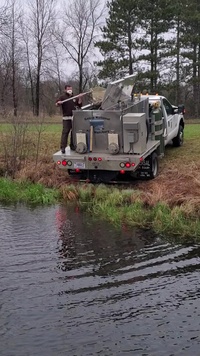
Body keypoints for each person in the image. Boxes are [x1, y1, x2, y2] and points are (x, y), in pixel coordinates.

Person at [56, 84, 83, 153]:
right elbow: (57, 104)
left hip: (74, 118)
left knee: (73, 133)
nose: (69, 90)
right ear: (65, 90)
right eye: (68, 89)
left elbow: (79, 105)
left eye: (70, 89)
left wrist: (80, 98)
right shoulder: (62, 97)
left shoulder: (75, 97)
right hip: (66, 118)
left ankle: (72, 145)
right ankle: (63, 147)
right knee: (65, 132)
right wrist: (58, 103)